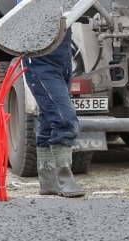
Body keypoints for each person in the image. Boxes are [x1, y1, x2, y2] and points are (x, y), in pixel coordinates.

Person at [20, 3, 86, 198]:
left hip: (61, 63)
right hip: (40, 64)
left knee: (50, 121)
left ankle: (49, 183)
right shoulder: (28, 4)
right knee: (65, 119)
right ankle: (65, 179)